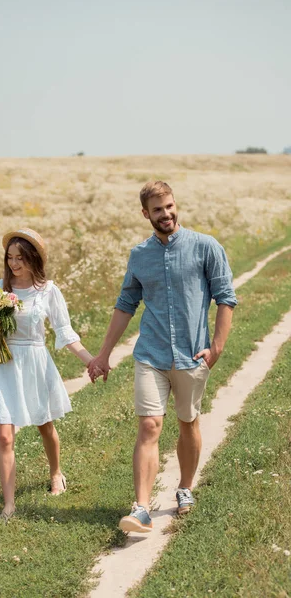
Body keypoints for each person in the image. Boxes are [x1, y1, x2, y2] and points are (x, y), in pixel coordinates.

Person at [88, 181, 237, 533]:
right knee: (149, 425)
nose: (166, 214)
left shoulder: (205, 246)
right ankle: (141, 507)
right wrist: (104, 354)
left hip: (191, 354)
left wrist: (216, 347)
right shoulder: (140, 255)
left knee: (188, 423)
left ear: (175, 205)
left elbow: (225, 297)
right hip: (151, 354)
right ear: (146, 214)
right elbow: (126, 304)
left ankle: (184, 488)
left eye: (169, 206)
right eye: (158, 210)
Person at [0, 228, 94, 521]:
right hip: (4, 365)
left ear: (33, 258)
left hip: (35, 362)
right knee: (5, 437)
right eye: (10, 258)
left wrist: (90, 360)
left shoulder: (47, 290)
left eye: (20, 258)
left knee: (45, 425)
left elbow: (65, 331)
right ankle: (9, 504)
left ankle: (56, 471)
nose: (14, 264)